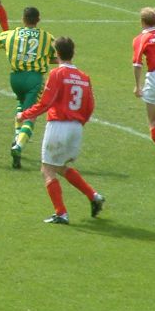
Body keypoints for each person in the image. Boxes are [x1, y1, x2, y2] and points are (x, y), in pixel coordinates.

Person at [17, 36, 104, 225]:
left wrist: (24, 115)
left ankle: (61, 213)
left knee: (47, 169)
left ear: (56, 54)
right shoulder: (83, 77)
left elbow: (46, 102)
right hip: (77, 127)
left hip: (59, 126)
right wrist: (80, 123)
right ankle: (94, 196)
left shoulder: (57, 74)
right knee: (61, 167)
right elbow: (90, 106)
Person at [0, 7, 57, 168]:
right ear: (38, 19)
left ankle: (17, 137)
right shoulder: (47, 37)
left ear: (23, 19)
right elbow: (56, 58)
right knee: (31, 114)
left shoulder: (12, 34)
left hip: (15, 79)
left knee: (20, 107)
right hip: (33, 79)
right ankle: (18, 146)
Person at [131, 6, 155, 165]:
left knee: (154, 122)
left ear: (142, 21)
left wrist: (138, 86)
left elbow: (137, 64)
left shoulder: (141, 38)